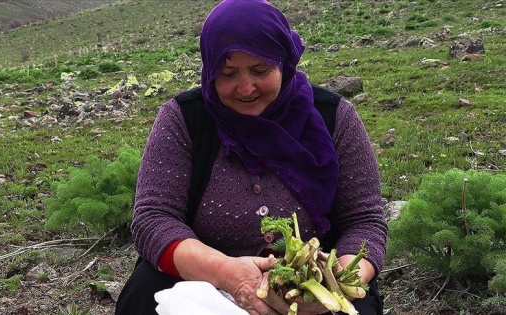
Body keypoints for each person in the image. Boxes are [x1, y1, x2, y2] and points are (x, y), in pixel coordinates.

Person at [115, 0, 387, 314]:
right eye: (227, 73)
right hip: (205, 280)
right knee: (144, 294)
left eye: (261, 70)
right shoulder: (184, 120)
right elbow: (153, 219)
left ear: (284, 63)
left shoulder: (333, 117)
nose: (246, 88)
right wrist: (225, 273)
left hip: (313, 288)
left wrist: (336, 282)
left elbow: (365, 221)